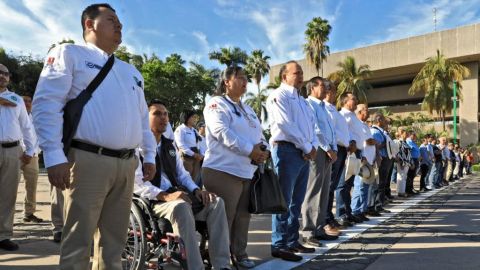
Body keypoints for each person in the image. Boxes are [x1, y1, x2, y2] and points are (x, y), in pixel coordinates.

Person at [32, 4, 156, 269]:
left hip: (126, 165)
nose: (119, 26)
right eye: (111, 20)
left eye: (120, 22)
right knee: (78, 243)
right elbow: (46, 105)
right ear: (89, 24)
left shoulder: (131, 72)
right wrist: (53, 155)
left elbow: (142, 119)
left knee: (115, 244)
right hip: (87, 160)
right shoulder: (69, 53)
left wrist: (149, 155)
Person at [135, 100, 231, 270]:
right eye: (157, 114)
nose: (163, 118)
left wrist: (196, 189)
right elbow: (136, 184)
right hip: (153, 201)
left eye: (165, 114)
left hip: (175, 194)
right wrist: (165, 196)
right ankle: (194, 267)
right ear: (144, 117)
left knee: (216, 203)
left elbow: (182, 174)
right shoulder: (136, 146)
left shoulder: (169, 145)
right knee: (180, 206)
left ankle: (222, 265)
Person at [202, 66, 268, 268]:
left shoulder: (248, 110)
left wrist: (263, 150)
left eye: (246, 79)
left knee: (242, 217)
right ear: (226, 82)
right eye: (239, 78)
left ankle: (240, 254)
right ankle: (219, 260)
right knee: (224, 219)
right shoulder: (216, 104)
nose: (244, 82)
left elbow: (261, 134)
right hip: (222, 171)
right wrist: (251, 150)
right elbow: (222, 132)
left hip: (247, 172)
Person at [266, 61, 319, 262]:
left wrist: (311, 146)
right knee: (283, 201)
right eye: (296, 73)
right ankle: (278, 244)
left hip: (303, 153)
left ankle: (291, 240)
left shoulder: (303, 101)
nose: (300, 76)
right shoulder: (279, 96)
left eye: (301, 72)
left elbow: (311, 126)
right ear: (284, 76)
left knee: (297, 201)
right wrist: (307, 147)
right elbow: (285, 124)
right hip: (287, 151)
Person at [0, 63, 35, 251]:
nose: (2, 76)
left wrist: (30, 150)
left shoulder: (16, 99)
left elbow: (26, 126)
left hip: (13, 151)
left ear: (9, 78)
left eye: (5, 73)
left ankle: (3, 235)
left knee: (8, 194)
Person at [301, 77, 339, 247]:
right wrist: (328, 148)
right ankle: (308, 231)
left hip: (329, 152)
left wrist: (334, 148)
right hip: (318, 151)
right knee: (313, 190)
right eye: (323, 86)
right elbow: (315, 129)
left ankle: (318, 228)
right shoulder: (309, 104)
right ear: (312, 88)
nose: (326, 89)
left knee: (324, 191)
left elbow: (330, 131)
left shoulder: (325, 107)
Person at [323, 81, 352, 228]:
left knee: (332, 185)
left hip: (341, 149)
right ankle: (326, 217)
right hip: (333, 149)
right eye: (332, 91)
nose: (334, 94)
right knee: (328, 185)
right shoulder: (325, 109)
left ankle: (328, 215)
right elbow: (329, 132)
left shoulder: (334, 110)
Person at [336, 92, 365, 226]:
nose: (356, 100)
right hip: (348, 151)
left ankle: (348, 212)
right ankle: (341, 214)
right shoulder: (342, 115)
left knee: (349, 185)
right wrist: (350, 144)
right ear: (345, 102)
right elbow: (344, 134)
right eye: (353, 99)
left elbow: (359, 136)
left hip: (357, 152)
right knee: (342, 184)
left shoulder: (354, 116)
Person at [350, 104, 376, 222]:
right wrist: (371, 142)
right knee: (359, 186)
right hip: (362, 160)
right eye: (366, 110)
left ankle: (362, 209)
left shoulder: (365, 125)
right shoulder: (357, 124)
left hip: (369, 160)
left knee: (365, 187)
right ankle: (356, 210)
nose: (368, 112)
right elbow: (367, 141)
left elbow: (371, 141)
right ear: (359, 112)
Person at [20, 96, 43, 223]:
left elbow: (39, 136)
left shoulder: (36, 119)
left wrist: (36, 152)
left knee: (32, 187)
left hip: (33, 156)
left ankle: (29, 213)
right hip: (17, 154)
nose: (27, 103)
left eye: (29, 101)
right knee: (8, 186)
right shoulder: (14, 115)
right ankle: (5, 216)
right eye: (24, 101)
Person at [369, 112, 392, 215]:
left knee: (382, 183)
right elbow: (376, 146)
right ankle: (376, 205)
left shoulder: (382, 131)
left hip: (385, 158)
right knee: (379, 183)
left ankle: (379, 205)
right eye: (383, 119)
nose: (385, 122)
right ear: (378, 121)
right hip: (381, 159)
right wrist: (386, 144)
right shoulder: (375, 131)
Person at [175, 110, 203, 183]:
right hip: (186, 157)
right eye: (193, 117)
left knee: (194, 179)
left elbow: (199, 143)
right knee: (185, 179)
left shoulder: (194, 130)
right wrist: (193, 154)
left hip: (196, 157)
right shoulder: (180, 129)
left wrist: (201, 155)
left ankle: (193, 193)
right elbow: (181, 145)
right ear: (186, 118)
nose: (195, 119)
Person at [395, 128, 412, 197]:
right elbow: (397, 152)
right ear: (401, 134)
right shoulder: (398, 142)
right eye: (405, 133)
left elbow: (408, 153)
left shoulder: (405, 142)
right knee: (401, 176)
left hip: (407, 162)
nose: (407, 134)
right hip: (402, 162)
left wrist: (411, 162)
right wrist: (400, 161)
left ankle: (402, 191)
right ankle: (400, 192)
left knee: (404, 176)